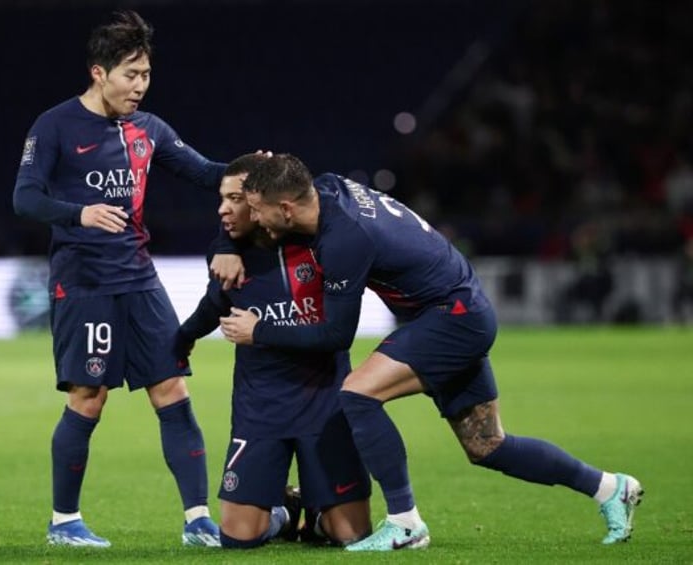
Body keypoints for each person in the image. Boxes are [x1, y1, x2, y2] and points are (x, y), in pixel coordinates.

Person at [220, 153, 644, 551]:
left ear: (288, 209)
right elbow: (282, 182)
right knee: (488, 446)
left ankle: (405, 523)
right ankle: (610, 487)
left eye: (257, 209)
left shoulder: (345, 241)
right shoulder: (328, 186)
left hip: (449, 319)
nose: (252, 218)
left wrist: (262, 331)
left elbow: (335, 336)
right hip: (463, 309)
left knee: (357, 394)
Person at [12, 11, 240, 548]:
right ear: (99, 73)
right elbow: (24, 198)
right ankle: (64, 523)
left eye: (146, 75)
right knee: (89, 397)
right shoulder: (55, 125)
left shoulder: (149, 129)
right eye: (129, 74)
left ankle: (197, 520)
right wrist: (79, 213)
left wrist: (252, 168)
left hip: (139, 278)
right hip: (83, 282)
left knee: (172, 388)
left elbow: (207, 172)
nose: (139, 86)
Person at [178, 154, 372, 548]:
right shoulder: (229, 257)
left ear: (261, 202)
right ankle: (284, 514)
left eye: (235, 199)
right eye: (224, 198)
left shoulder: (324, 241)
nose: (224, 209)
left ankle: (320, 514)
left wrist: (260, 331)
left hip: (324, 403)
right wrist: (179, 341)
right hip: (260, 407)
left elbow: (336, 334)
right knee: (238, 539)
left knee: (351, 535)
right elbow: (213, 305)